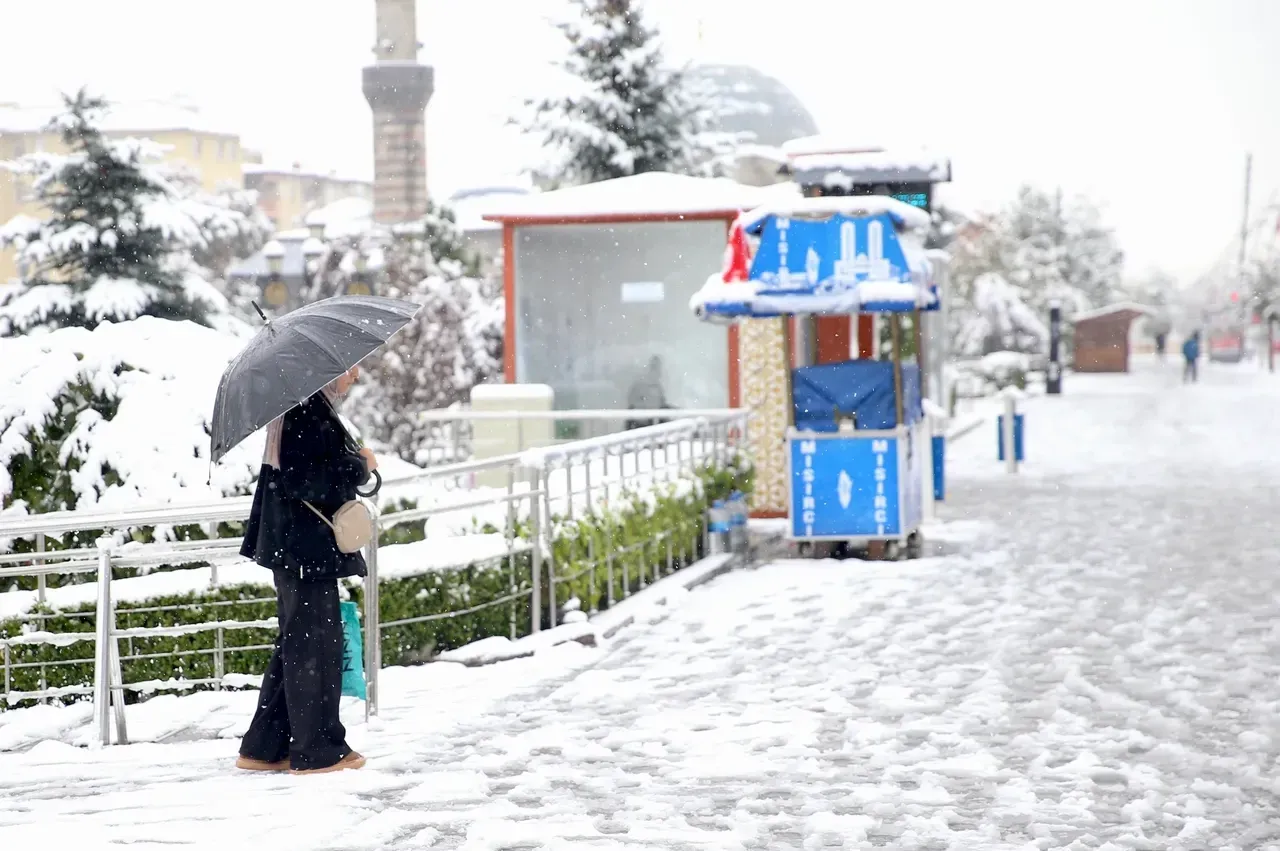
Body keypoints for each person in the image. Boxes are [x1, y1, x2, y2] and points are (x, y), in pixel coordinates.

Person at [235, 365, 378, 775]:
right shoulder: (306, 409)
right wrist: (360, 465)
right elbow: (309, 479)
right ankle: (317, 749)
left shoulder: (299, 406)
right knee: (314, 646)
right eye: (350, 368)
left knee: (297, 644)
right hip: (303, 547)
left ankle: (265, 746)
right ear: (328, 368)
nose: (356, 374)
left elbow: (300, 472)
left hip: (292, 545)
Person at [625, 355, 671, 430]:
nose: (659, 372)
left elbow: (662, 404)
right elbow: (632, 404)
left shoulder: (658, 387)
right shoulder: (639, 385)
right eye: (655, 368)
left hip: (653, 424)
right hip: (641, 425)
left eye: (659, 368)